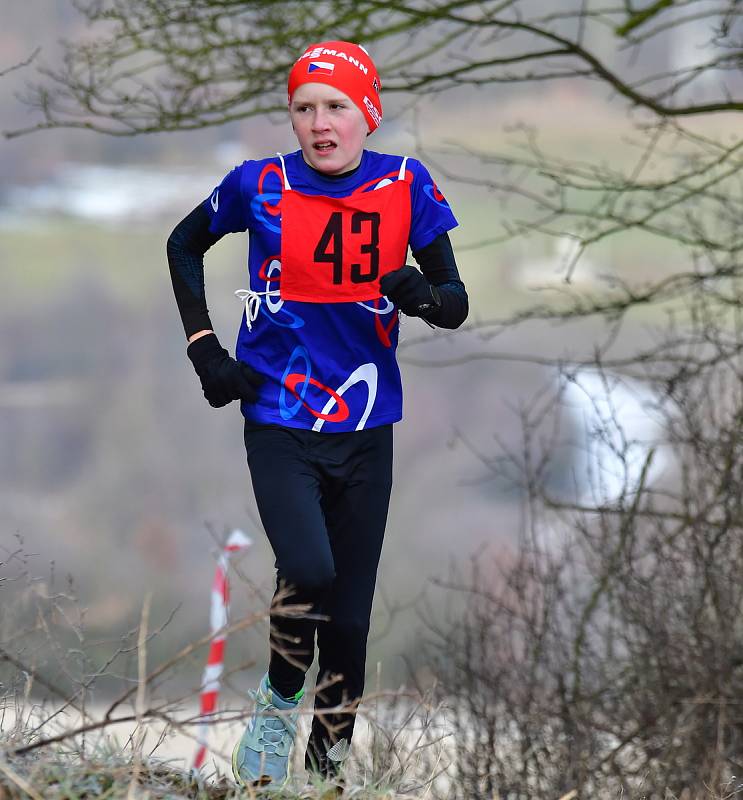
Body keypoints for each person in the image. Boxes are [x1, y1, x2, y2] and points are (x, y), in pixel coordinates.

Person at [166, 40, 468, 791]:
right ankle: (275, 708)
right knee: (307, 570)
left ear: (367, 113)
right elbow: (183, 243)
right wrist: (206, 349)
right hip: (279, 415)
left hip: (368, 427)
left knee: (352, 624)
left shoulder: (404, 184)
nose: (318, 123)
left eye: (335, 107)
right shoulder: (257, 183)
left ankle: (326, 775)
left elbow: (454, 302)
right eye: (303, 108)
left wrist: (421, 296)